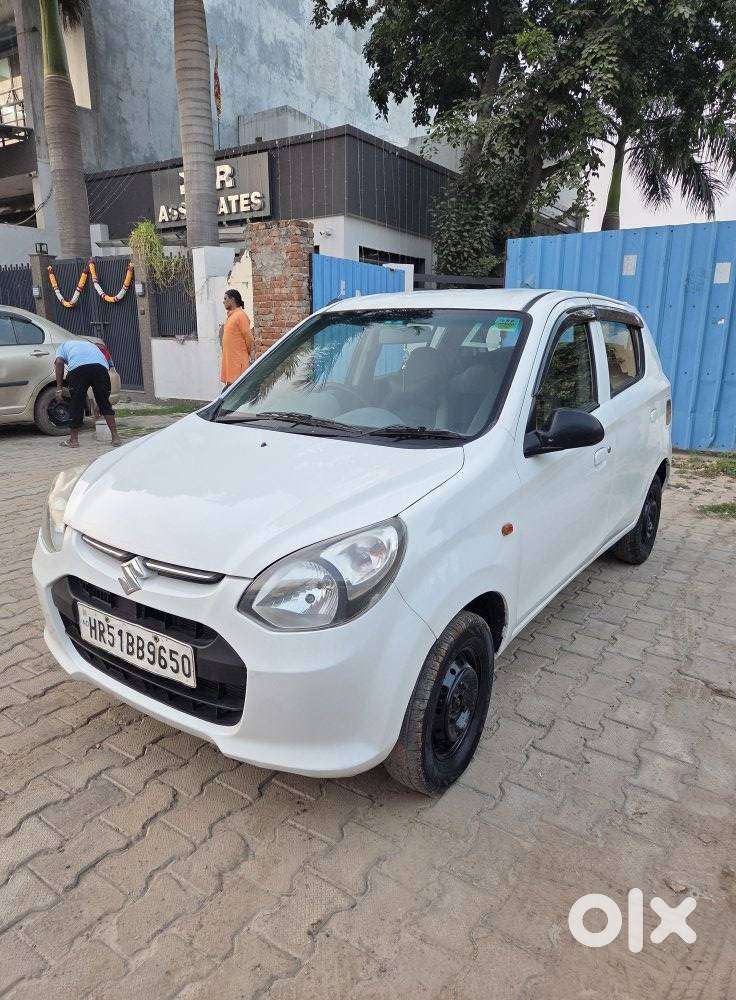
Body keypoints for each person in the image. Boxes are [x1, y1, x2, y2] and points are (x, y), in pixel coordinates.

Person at [54, 339, 122, 448]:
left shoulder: (62, 346)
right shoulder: (92, 345)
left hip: (78, 370)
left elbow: (59, 362)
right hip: (100, 368)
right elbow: (106, 367)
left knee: (76, 404)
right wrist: (99, 404)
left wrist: (59, 388)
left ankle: (73, 440)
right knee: (105, 402)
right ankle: (115, 437)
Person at [220, 289, 254, 388]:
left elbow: (249, 337)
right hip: (231, 364)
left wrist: (250, 354)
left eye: (225, 299)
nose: (223, 301)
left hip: (238, 364)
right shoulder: (232, 316)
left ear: (232, 299)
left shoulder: (240, 316)